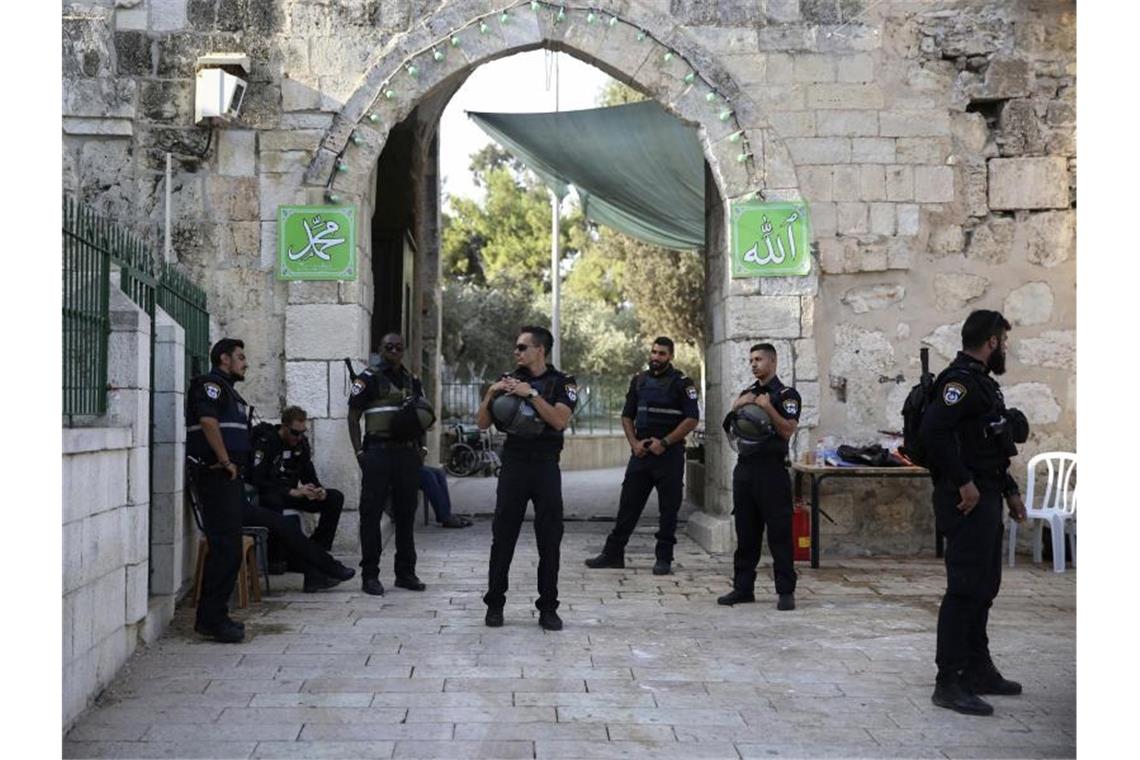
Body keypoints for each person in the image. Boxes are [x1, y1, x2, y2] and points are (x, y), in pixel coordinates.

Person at [920, 309, 1028, 716]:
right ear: (993, 341)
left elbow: (991, 446)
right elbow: (934, 432)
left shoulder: (982, 383)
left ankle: (978, 669)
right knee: (963, 589)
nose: (1006, 348)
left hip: (985, 494)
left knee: (985, 588)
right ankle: (948, 681)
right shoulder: (960, 383)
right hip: (964, 499)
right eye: (1004, 340)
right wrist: (964, 482)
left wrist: (1011, 491)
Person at [477, 326, 577, 631]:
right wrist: (491, 394)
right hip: (515, 464)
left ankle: (548, 607)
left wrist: (530, 394)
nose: (517, 352)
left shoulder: (563, 383)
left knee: (549, 539)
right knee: (503, 535)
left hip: (545, 465)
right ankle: (495, 604)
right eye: (516, 347)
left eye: (522, 347)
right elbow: (482, 424)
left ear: (540, 350)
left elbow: (559, 420)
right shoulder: (508, 378)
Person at [585, 337, 699, 575]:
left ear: (670, 356)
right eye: (654, 352)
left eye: (662, 354)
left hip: (668, 455)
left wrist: (665, 442)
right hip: (642, 453)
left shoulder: (682, 383)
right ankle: (613, 554)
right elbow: (627, 416)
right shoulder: (639, 381)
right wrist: (634, 443)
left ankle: (664, 558)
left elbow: (691, 419)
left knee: (669, 509)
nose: (656, 357)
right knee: (628, 505)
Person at [717, 343, 802, 611]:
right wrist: (736, 405)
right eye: (751, 360)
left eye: (759, 359)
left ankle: (785, 591)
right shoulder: (747, 394)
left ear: (773, 362)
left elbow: (788, 430)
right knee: (746, 532)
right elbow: (730, 428)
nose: (754, 364)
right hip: (745, 468)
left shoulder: (786, 395)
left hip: (772, 470)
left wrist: (768, 408)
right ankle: (743, 588)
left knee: (779, 534)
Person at [348, 333, 430, 596]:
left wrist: (423, 448)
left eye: (398, 347)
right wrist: (360, 452)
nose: (393, 350)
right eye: (388, 347)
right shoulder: (367, 379)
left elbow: (422, 417)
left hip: (407, 455)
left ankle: (405, 573)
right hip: (378, 453)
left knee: (406, 514)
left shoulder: (412, 380)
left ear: (403, 350)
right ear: (380, 349)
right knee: (370, 514)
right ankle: (370, 575)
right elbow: (353, 417)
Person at [186, 338, 252, 643]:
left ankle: (216, 616)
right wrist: (225, 461)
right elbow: (208, 422)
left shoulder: (229, 391)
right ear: (224, 359)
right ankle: (212, 619)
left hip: (229, 478)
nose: (245, 363)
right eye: (240, 357)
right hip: (216, 475)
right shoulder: (210, 385)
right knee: (225, 549)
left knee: (229, 549)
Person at [250, 406, 344, 550]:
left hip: (294, 493)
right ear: (284, 426)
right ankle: (277, 556)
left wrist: (318, 490)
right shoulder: (267, 443)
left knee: (335, 498)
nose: (298, 437)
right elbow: (257, 479)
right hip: (273, 494)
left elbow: (308, 475)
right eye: (295, 433)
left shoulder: (301, 444)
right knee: (272, 500)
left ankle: (318, 548)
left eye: (302, 432)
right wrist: (290, 491)